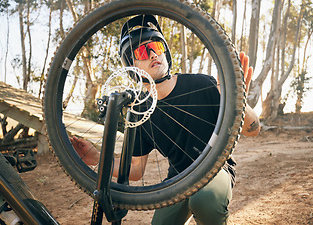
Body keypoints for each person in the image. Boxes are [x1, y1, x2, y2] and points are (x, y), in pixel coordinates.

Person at [70, 15, 260, 225]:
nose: (152, 53)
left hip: (216, 168)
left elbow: (253, 130)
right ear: (131, 66)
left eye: (156, 45)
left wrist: (237, 99)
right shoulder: (140, 111)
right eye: (142, 51)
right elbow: (135, 170)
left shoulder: (201, 83)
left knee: (204, 200)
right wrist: (96, 157)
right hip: (177, 179)